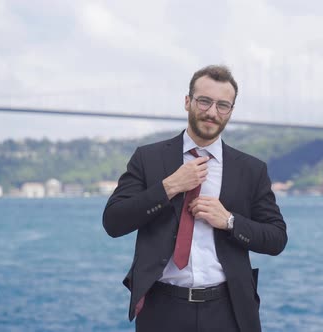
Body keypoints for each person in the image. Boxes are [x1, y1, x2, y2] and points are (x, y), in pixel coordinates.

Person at [103, 65, 287, 332]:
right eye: (204, 101)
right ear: (187, 101)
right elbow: (113, 222)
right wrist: (168, 187)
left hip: (229, 309)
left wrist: (230, 221)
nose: (212, 112)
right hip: (162, 309)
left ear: (231, 111)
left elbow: (276, 238)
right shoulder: (148, 158)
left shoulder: (251, 169)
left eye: (223, 105)